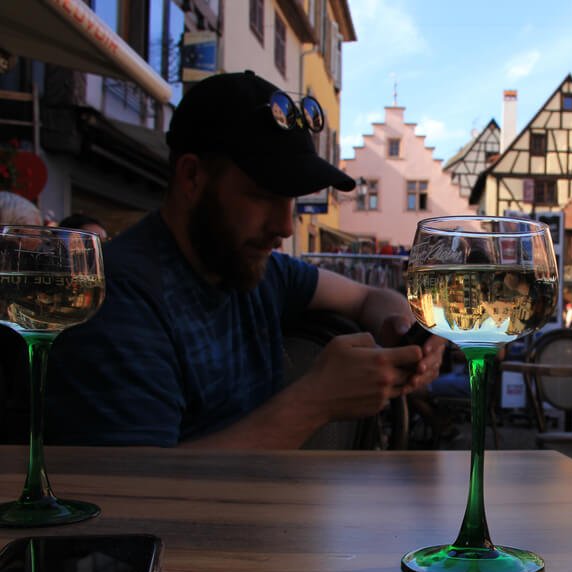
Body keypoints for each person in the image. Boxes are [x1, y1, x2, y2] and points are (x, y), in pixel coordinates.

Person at [45, 70, 445, 449]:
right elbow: (135, 494)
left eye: (291, 199)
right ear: (191, 178)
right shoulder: (118, 298)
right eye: (263, 195)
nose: (286, 225)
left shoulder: (252, 267)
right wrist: (314, 402)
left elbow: (367, 297)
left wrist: (403, 327)